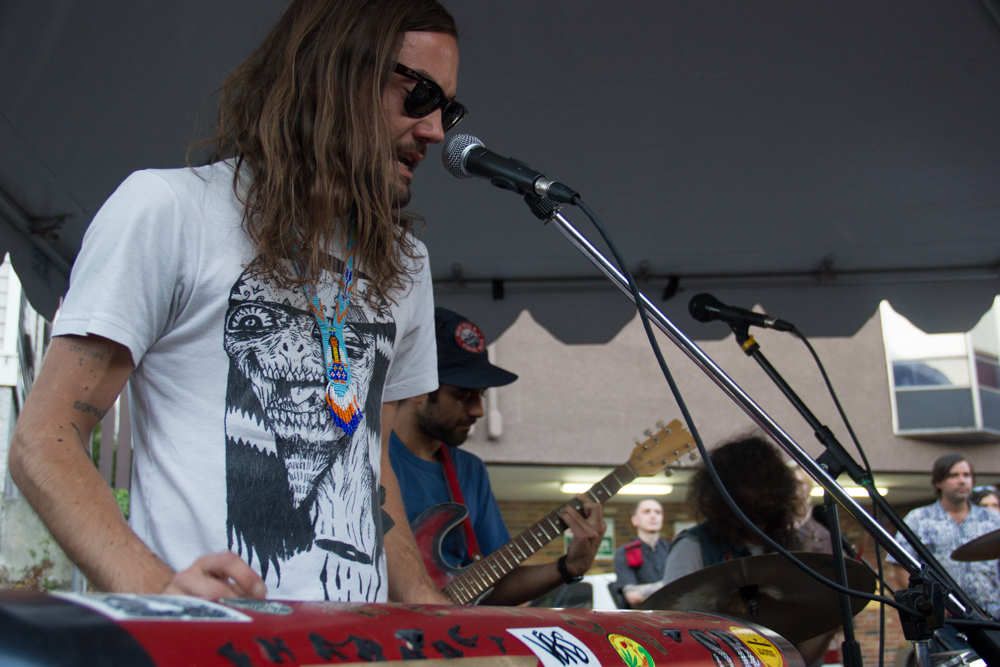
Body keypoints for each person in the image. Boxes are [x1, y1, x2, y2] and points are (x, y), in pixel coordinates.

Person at [8, 0, 467, 604]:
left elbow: (369, 471)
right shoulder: (168, 210)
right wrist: (158, 595)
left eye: (447, 108)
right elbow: (45, 439)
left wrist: (434, 623)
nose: (435, 129)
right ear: (331, 75)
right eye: (419, 95)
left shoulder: (405, 265)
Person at [390, 308, 606, 605]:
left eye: (482, 395)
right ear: (417, 387)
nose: (478, 410)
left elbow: (493, 589)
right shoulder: (365, 461)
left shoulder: (470, 471)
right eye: (464, 395)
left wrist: (568, 568)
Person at [622, 436, 834, 665]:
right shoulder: (692, 547)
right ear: (727, 492)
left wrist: (831, 617)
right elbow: (674, 637)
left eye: (771, 483)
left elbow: (800, 656)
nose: (768, 496)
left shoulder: (788, 545)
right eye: (756, 484)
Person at [888, 454, 1000, 618]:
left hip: (992, 615)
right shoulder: (919, 518)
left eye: (966, 475)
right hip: (946, 620)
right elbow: (900, 564)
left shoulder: (992, 518)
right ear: (939, 482)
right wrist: (930, 606)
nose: (962, 481)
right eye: (954, 475)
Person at [612, 498, 670, 607]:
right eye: (646, 511)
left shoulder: (672, 549)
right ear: (635, 520)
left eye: (658, 512)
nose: (653, 516)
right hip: (642, 620)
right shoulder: (624, 552)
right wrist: (672, 585)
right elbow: (632, 596)